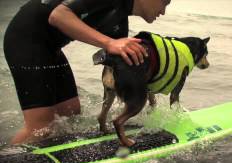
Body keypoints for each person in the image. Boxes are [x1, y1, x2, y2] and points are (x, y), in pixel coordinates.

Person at [3, 0, 171, 144]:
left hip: (50, 48)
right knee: (40, 128)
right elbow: (58, 15)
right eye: (164, 2)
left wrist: (147, 95)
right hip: (25, 39)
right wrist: (109, 42)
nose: (163, 11)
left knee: (69, 113)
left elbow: (117, 72)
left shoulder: (120, 21)